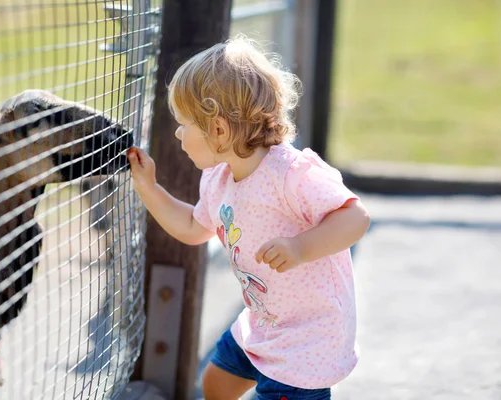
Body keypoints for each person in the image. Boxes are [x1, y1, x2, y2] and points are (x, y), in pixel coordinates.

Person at [127, 36, 370, 400]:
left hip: (307, 341)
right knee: (216, 382)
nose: (178, 133)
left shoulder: (292, 174)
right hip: (263, 322)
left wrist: (300, 247)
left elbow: (356, 218)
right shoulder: (219, 177)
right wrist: (149, 189)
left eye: (184, 124)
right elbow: (194, 228)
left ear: (219, 130)